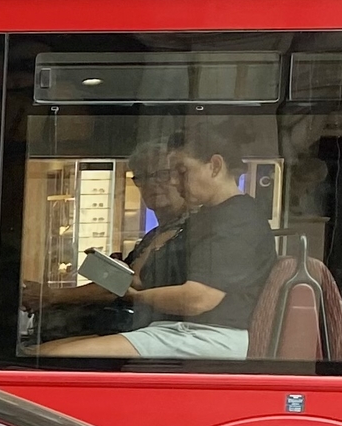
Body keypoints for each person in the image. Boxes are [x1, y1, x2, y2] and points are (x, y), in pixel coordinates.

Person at [36, 124, 275, 360]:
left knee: (51, 357)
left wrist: (136, 297)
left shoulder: (238, 219)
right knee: (40, 352)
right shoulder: (209, 217)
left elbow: (198, 298)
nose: (174, 182)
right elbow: (147, 280)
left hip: (208, 336)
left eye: (181, 172)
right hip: (180, 330)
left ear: (214, 166)